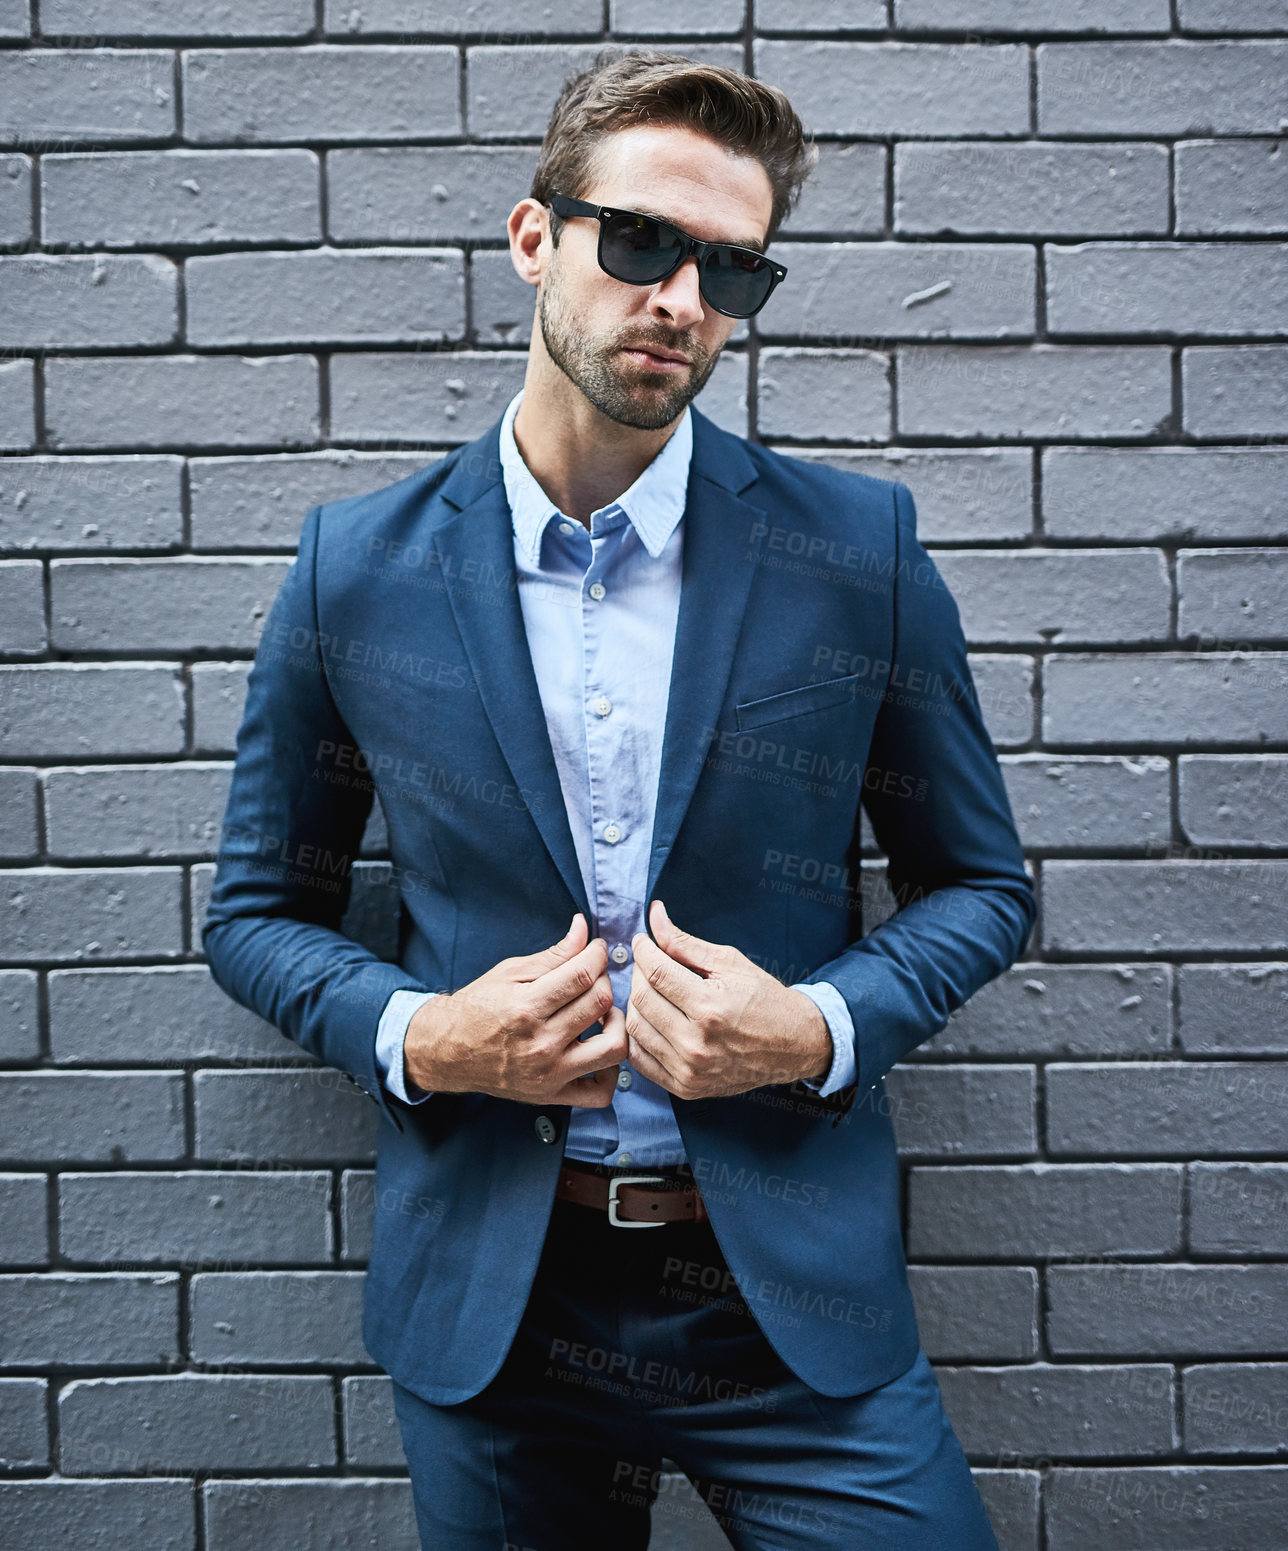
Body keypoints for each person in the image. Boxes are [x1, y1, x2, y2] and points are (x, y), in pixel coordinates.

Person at [204, 46, 1034, 1550]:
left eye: (731, 269)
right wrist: (426, 1036)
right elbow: (257, 913)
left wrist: (823, 1024)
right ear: (537, 238)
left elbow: (982, 884)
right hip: (501, 1317)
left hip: (787, 1303)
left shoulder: (861, 553)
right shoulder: (356, 570)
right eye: (641, 242)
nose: (680, 300)